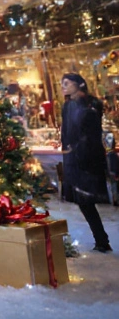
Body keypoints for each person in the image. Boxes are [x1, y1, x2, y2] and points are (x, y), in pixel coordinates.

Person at [60, 74, 112, 252]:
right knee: (84, 202)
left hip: (89, 158)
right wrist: (67, 151)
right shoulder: (67, 106)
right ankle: (101, 240)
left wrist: (78, 149)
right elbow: (66, 132)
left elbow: (91, 132)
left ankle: (102, 240)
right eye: (62, 84)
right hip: (74, 159)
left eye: (67, 83)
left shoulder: (92, 104)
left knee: (87, 200)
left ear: (78, 84)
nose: (63, 87)